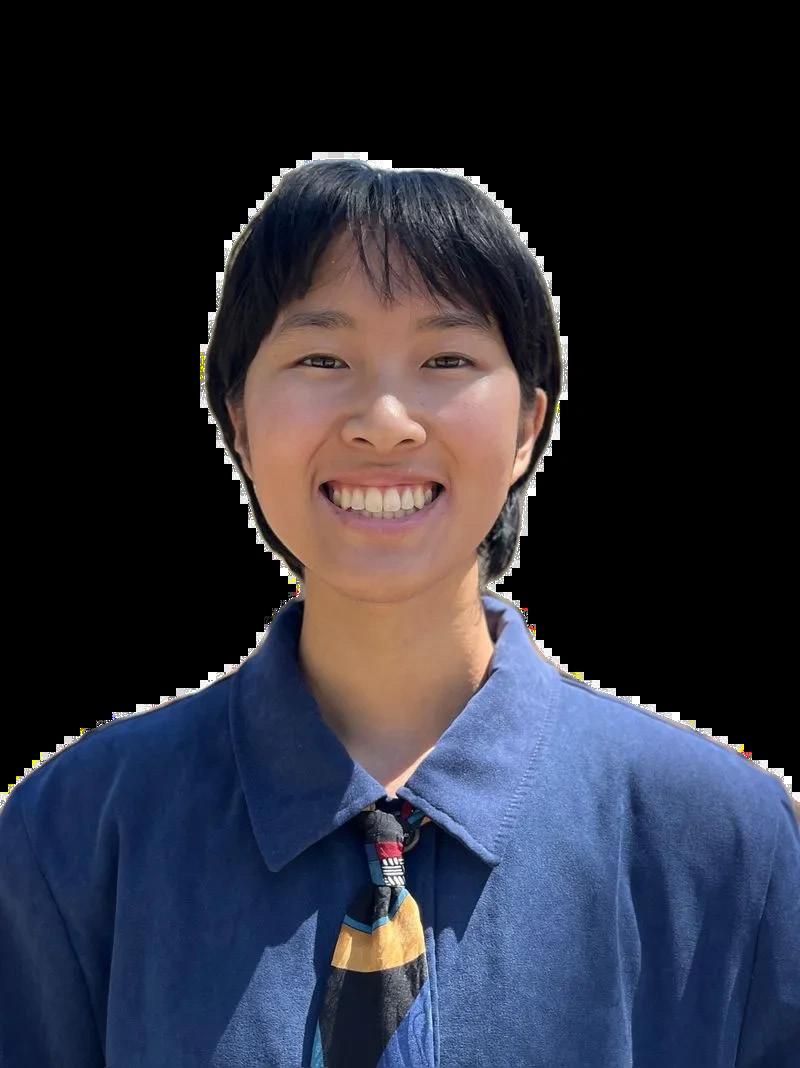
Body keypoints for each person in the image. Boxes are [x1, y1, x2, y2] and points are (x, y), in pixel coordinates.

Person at [1, 161, 797, 1066]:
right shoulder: (81, 832)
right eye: (322, 359)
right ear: (238, 417)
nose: (384, 421)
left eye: (446, 360)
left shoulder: (720, 838)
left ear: (528, 425)